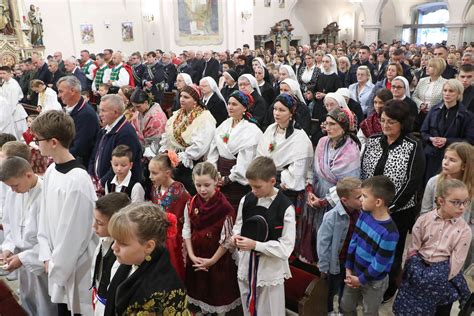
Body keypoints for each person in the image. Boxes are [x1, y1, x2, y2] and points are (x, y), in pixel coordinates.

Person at [30, 110, 98, 315]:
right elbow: (44, 217)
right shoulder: (51, 170)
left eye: (38, 139)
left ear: (53, 142)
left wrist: (56, 266)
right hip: (54, 260)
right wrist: (46, 254)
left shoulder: (77, 180)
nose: (35, 143)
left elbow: (74, 234)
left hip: (75, 266)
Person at [361, 100, 425, 301]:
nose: (386, 125)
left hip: (398, 211)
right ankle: (367, 283)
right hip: (370, 207)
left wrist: (389, 208)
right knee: (369, 245)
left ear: (403, 123)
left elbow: (413, 181)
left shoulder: (412, 146)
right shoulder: (372, 140)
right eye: (383, 120)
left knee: (391, 252)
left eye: (391, 122)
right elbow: (364, 173)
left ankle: (388, 288)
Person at [393, 179, 472, 315]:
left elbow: (457, 262)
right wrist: (410, 269)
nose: (462, 207)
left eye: (465, 202)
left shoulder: (464, 231)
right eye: (456, 202)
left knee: (440, 311)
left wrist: (437, 278)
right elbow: (413, 248)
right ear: (441, 201)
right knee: (407, 308)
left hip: (442, 276)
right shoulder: (424, 220)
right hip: (418, 270)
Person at [231, 156, 296, 316]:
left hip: (269, 269)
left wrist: (256, 245)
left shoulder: (285, 208)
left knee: (270, 310)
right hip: (247, 265)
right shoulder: (247, 199)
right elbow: (239, 225)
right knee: (248, 304)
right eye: (251, 186)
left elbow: (286, 248)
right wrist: (236, 237)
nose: (253, 191)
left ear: (272, 181)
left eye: (257, 187)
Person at [104, 203, 190, 315]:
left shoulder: (159, 294)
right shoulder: (129, 262)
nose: (113, 247)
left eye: (123, 244)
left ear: (149, 246)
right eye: (114, 240)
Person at [300, 107, 361, 264]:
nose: (328, 128)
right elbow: (313, 169)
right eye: (326, 124)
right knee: (312, 234)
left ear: (344, 126)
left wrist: (324, 201)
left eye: (333, 124)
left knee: (327, 238)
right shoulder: (322, 142)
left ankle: (325, 271)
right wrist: (310, 190)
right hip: (316, 192)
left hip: (336, 201)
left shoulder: (351, 151)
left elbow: (347, 186)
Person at [0, 155, 56, 315]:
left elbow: (50, 238)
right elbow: (10, 225)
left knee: (46, 306)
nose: (13, 190)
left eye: (15, 185)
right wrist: (8, 248)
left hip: (39, 260)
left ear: (29, 175)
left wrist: (24, 258)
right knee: (27, 301)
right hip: (20, 260)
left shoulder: (47, 194)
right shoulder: (14, 193)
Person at [183, 162, 240, 314]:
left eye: (207, 185)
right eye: (198, 185)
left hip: (217, 258)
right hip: (196, 255)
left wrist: (212, 261)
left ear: (216, 180)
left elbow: (227, 239)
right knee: (198, 290)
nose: (202, 189)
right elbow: (187, 229)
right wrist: (191, 255)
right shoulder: (191, 202)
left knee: (215, 291)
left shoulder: (225, 208)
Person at [340, 176, 399, 315]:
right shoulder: (364, 214)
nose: (360, 199)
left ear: (378, 202)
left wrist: (360, 280)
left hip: (374, 282)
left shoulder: (390, 233)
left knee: (369, 312)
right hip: (354, 272)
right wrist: (348, 268)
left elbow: (379, 264)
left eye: (364, 196)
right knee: (346, 305)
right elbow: (354, 241)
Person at [207, 90, 263, 210]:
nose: (230, 107)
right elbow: (213, 149)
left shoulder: (252, 130)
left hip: (237, 180)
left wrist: (229, 178)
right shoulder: (224, 125)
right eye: (229, 103)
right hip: (219, 175)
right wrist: (214, 172)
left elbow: (247, 159)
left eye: (234, 104)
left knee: (234, 210)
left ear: (244, 108)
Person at [256, 93, 313, 206]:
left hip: (286, 190)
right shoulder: (270, 129)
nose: (276, 113)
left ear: (291, 113)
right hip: (265, 180)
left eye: (282, 110)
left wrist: (279, 184)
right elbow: (260, 154)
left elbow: (298, 169)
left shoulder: (299, 137)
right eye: (275, 109)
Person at [159, 85, 216, 195]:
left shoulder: (205, 117)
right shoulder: (178, 114)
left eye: (186, 97)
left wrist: (181, 157)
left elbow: (201, 146)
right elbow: (167, 136)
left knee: (187, 195)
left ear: (195, 100)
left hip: (191, 166)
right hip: (173, 163)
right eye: (181, 96)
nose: (182, 99)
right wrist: (166, 151)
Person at [316, 177, 362, 314]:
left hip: (351, 262)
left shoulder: (361, 213)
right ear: (344, 200)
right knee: (330, 289)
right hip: (336, 263)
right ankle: (329, 310)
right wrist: (324, 266)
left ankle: (342, 310)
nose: (362, 200)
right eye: (358, 197)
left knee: (345, 288)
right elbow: (323, 243)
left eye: (363, 196)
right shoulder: (332, 217)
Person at [420, 79, 474, 183]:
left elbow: (469, 141)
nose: (447, 94)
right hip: (431, 157)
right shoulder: (434, 110)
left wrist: (447, 141)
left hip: (454, 159)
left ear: (458, 93)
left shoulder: (467, 116)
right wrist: (431, 139)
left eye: (451, 91)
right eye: (445, 90)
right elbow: (423, 132)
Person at [148, 153, 190, 281]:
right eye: (150, 172)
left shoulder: (179, 191)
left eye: (154, 173)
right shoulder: (156, 188)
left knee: (173, 270)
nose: (150, 177)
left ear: (167, 173)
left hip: (175, 239)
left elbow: (188, 215)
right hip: (158, 236)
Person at [89, 94, 142, 188]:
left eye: (103, 111)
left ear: (115, 112)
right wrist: (91, 176)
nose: (100, 114)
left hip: (117, 189)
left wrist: (101, 183)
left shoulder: (126, 134)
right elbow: (94, 156)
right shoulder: (104, 130)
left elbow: (120, 166)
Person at [91, 192, 131, 316]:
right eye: (94, 220)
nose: (93, 226)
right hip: (98, 297)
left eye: (100, 223)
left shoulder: (123, 254)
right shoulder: (104, 239)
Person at [421, 142, 473, 223]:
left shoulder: (471, 187)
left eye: (452, 160)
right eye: (445, 158)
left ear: (464, 166)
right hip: (435, 231)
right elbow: (425, 212)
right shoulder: (433, 182)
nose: (445, 162)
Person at [58, 76, 100, 168]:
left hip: (79, 164)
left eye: (61, 91)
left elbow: (80, 148)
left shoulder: (86, 114)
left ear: (72, 91)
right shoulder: (70, 109)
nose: (59, 95)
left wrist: (59, 155)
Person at [412, 58, 447, 124]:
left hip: (436, 117)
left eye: (430, 66)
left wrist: (432, 108)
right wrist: (421, 104)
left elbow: (445, 101)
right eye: (427, 66)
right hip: (420, 115)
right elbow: (414, 96)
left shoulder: (445, 83)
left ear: (437, 68)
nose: (426, 68)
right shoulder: (422, 80)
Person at [0, 66, 27, 140]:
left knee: (21, 134)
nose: (1, 75)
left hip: (15, 112)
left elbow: (13, 101)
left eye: (3, 73)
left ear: (9, 73)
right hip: (9, 111)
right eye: (0, 73)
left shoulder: (13, 84)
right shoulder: (5, 83)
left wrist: (7, 115)